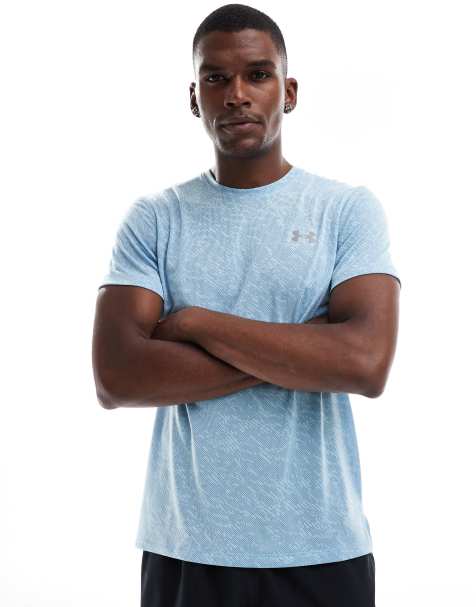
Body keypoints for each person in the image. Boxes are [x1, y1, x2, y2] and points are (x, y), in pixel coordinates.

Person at [92, 4, 401, 606]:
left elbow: (365, 363)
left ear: (289, 91)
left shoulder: (346, 211)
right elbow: (117, 377)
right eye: (216, 78)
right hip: (187, 549)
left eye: (258, 74)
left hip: (321, 548)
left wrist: (193, 323)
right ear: (194, 97)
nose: (237, 94)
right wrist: (307, 347)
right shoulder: (155, 219)